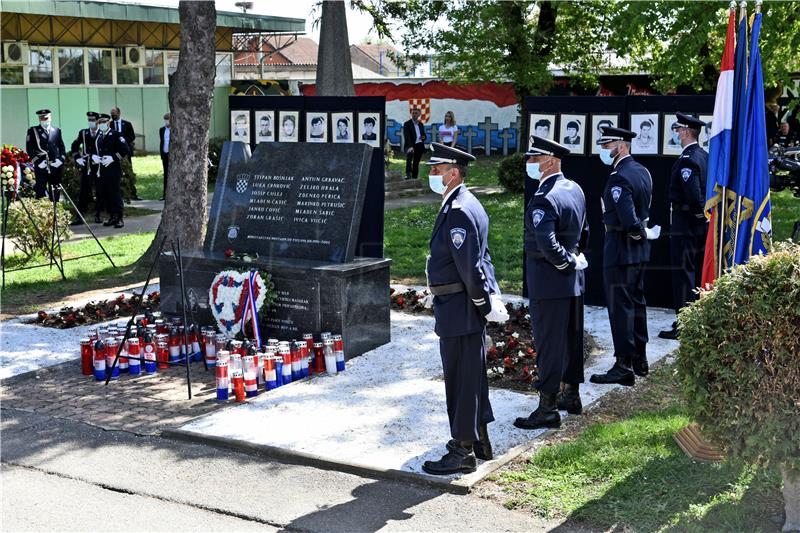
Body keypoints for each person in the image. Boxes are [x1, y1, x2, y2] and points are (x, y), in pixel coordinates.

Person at [422, 142, 508, 475]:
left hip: (460, 308)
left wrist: (483, 303)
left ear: (453, 173)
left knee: (461, 379)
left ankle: (462, 451)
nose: (431, 174)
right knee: (471, 376)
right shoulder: (463, 203)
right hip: (459, 305)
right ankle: (480, 438)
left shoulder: (458, 210)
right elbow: (480, 260)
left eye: (436, 169)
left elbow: (471, 266)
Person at [513, 136, 589, 431]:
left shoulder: (545, 196)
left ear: (550, 161)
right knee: (571, 340)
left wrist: (564, 262)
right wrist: (574, 261)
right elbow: (585, 232)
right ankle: (571, 395)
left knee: (548, 343)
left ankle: (547, 408)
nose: (530, 163)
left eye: (534, 158)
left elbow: (546, 242)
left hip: (550, 279)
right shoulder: (576, 189)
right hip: (573, 281)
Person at [590, 126, 659, 387]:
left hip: (621, 247)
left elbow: (629, 220)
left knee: (620, 308)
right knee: (637, 303)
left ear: (620, 146)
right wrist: (643, 237)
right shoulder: (642, 171)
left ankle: (623, 364)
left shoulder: (619, 177)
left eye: (607, 146)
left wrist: (638, 234)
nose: (604, 151)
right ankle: (640, 358)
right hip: (638, 251)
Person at [658, 113, 709, 340]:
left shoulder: (688, 159)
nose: (677, 133)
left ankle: (685, 323)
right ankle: (695, 319)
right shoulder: (704, 155)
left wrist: (699, 215)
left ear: (687, 132)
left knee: (683, 273)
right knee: (695, 272)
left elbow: (693, 194)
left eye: (679, 130)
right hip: (698, 225)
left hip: (687, 224)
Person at [94, 113, 131, 229]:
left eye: (103, 122)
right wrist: (95, 157)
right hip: (102, 170)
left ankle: (119, 218)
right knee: (106, 195)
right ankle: (112, 217)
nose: (101, 124)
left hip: (113, 170)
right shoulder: (98, 136)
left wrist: (113, 158)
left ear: (108, 122)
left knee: (115, 194)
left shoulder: (116, 134)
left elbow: (125, 149)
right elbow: (96, 150)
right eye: (99, 122)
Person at [26, 109, 66, 202]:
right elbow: (29, 148)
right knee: (40, 191)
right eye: (41, 118)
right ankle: (42, 213)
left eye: (46, 118)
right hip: (41, 165)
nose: (44, 120)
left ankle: (56, 212)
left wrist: (61, 160)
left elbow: (62, 148)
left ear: (50, 118)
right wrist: (37, 161)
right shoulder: (33, 131)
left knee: (56, 190)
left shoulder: (57, 130)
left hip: (55, 165)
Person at [70, 111, 101, 224]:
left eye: (93, 120)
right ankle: (79, 216)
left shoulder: (102, 133)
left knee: (99, 190)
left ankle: (98, 215)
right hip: (87, 165)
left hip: (98, 166)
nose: (91, 122)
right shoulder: (83, 133)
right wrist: (77, 157)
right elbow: (75, 145)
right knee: (84, 191)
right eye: (89, 120)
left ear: (98, 121)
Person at [403, 108, 427, 180]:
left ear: (419, 115)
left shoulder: (421, 124)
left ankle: (414, 177)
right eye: (413, 113)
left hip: (419, 145)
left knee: (416, 162)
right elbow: (406, 136)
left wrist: (423, 137)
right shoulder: (407, 124)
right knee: (409, 159)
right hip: (410, 144)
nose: (414, 115)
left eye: (416, 113)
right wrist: (410, 146)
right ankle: (408, 174)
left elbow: (423, 135)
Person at [159, 113, 170, 201]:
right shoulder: (162, 130)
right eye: (165, 119)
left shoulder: (175, 130)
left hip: (172, 155)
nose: (166, 121)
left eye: (168, 119)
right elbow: (162, 142)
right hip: (165, 154)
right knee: (166, 174)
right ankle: (165, 194)